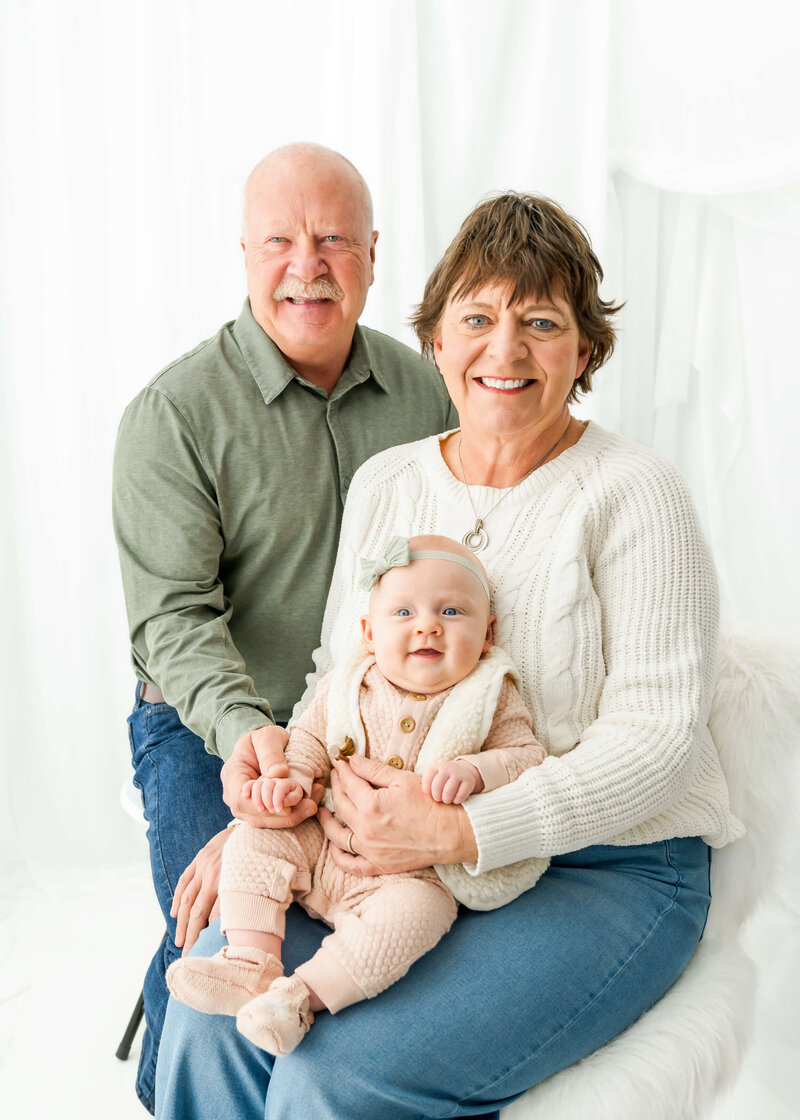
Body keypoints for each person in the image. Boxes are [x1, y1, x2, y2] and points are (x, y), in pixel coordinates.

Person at [155, 192, 744, 1120]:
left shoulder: (636, 495)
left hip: (607, 869)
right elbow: (337, 680)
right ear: (436, 341)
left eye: (541, 323)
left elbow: (659, 740)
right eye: (478, 318)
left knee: (333, 1074)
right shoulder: (389, 483)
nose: (503, 352)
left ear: (584, 351)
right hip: (382, 856)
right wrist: (284, 797)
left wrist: (467, 834)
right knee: (200, 1026)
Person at [112, 143, 455, 1113]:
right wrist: (254, 769)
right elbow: (175, 620)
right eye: (281, 240)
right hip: (206, 721)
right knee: (214, 930)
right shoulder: (172, 416)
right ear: (243, 252)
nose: (307, 263)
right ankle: (165, 1083)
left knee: (373, 931)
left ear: (374, 256)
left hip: (356, 724)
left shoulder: (423, 393)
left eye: (334, 239)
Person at [165, 535, 547, 1055]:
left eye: (452, 611)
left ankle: (298, 998)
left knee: (419, 917)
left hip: (409, 874)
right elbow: (307, 740)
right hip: (317, 840)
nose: (428, 625)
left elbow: (527, 756)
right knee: (252, 842)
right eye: (404, 611)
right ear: (368, 633)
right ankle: (249, 962)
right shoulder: (348, 684)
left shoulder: (489, 695)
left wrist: (477, 771)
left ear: (487, 634)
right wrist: (291, 782)